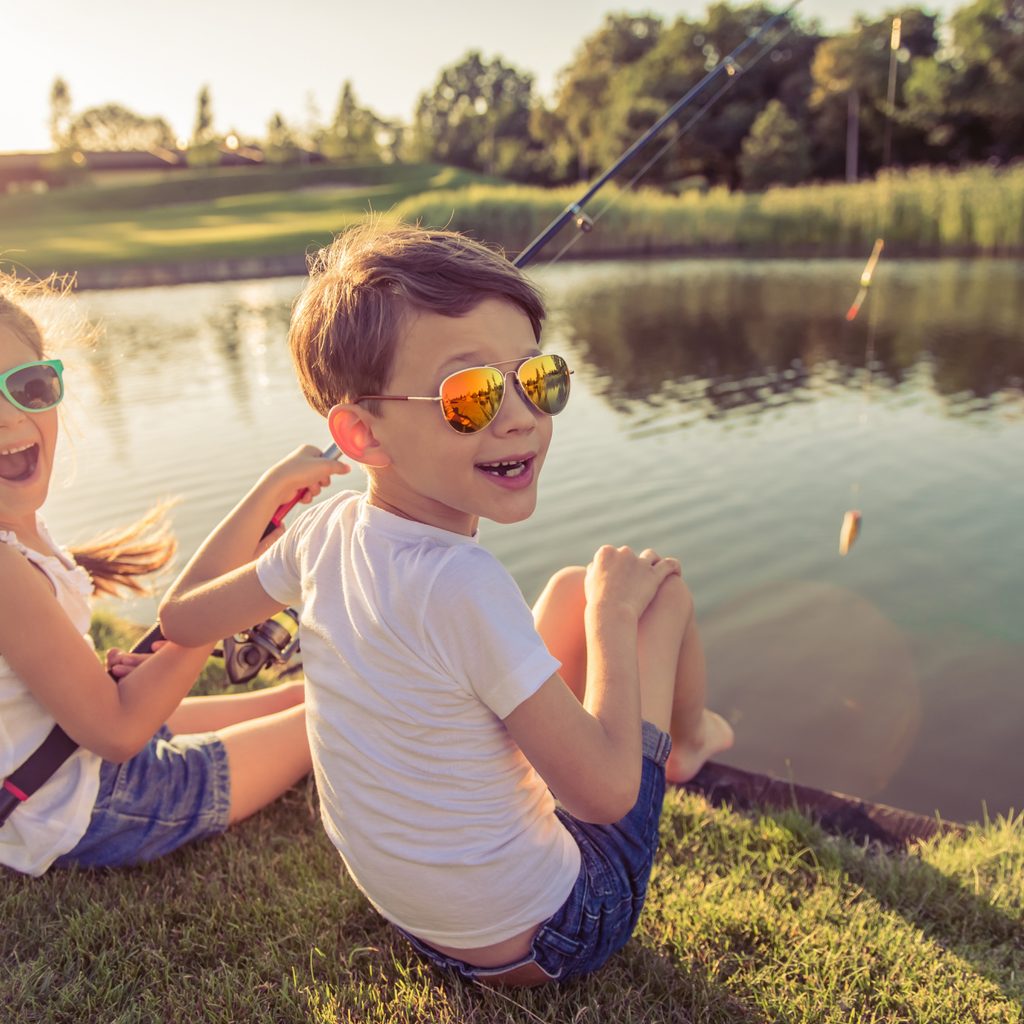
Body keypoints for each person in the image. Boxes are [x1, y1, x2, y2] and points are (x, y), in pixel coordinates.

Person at [159, 222, 734, 986]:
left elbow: (181, 619)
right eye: (471, 396)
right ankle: (688, 741)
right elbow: (601, 797)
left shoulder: (321, 533)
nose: (522, 415)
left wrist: (267, 495)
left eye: (536, 377)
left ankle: (679, 732)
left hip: (417, 917)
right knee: (656, 594)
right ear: (361, 435)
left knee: (564, 586)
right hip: (549, 936)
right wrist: (611, 617)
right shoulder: (462, 584)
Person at [0, 273, 347, 875]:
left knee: (302, 694)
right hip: (83, 805)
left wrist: (269, 491)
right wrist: (211, 627)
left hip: (70, 756)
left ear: (52, 386)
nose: (8, 419)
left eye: (26, 387)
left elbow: (144, 657)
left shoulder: (20, 527)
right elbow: (118, 730)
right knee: (333, 716)